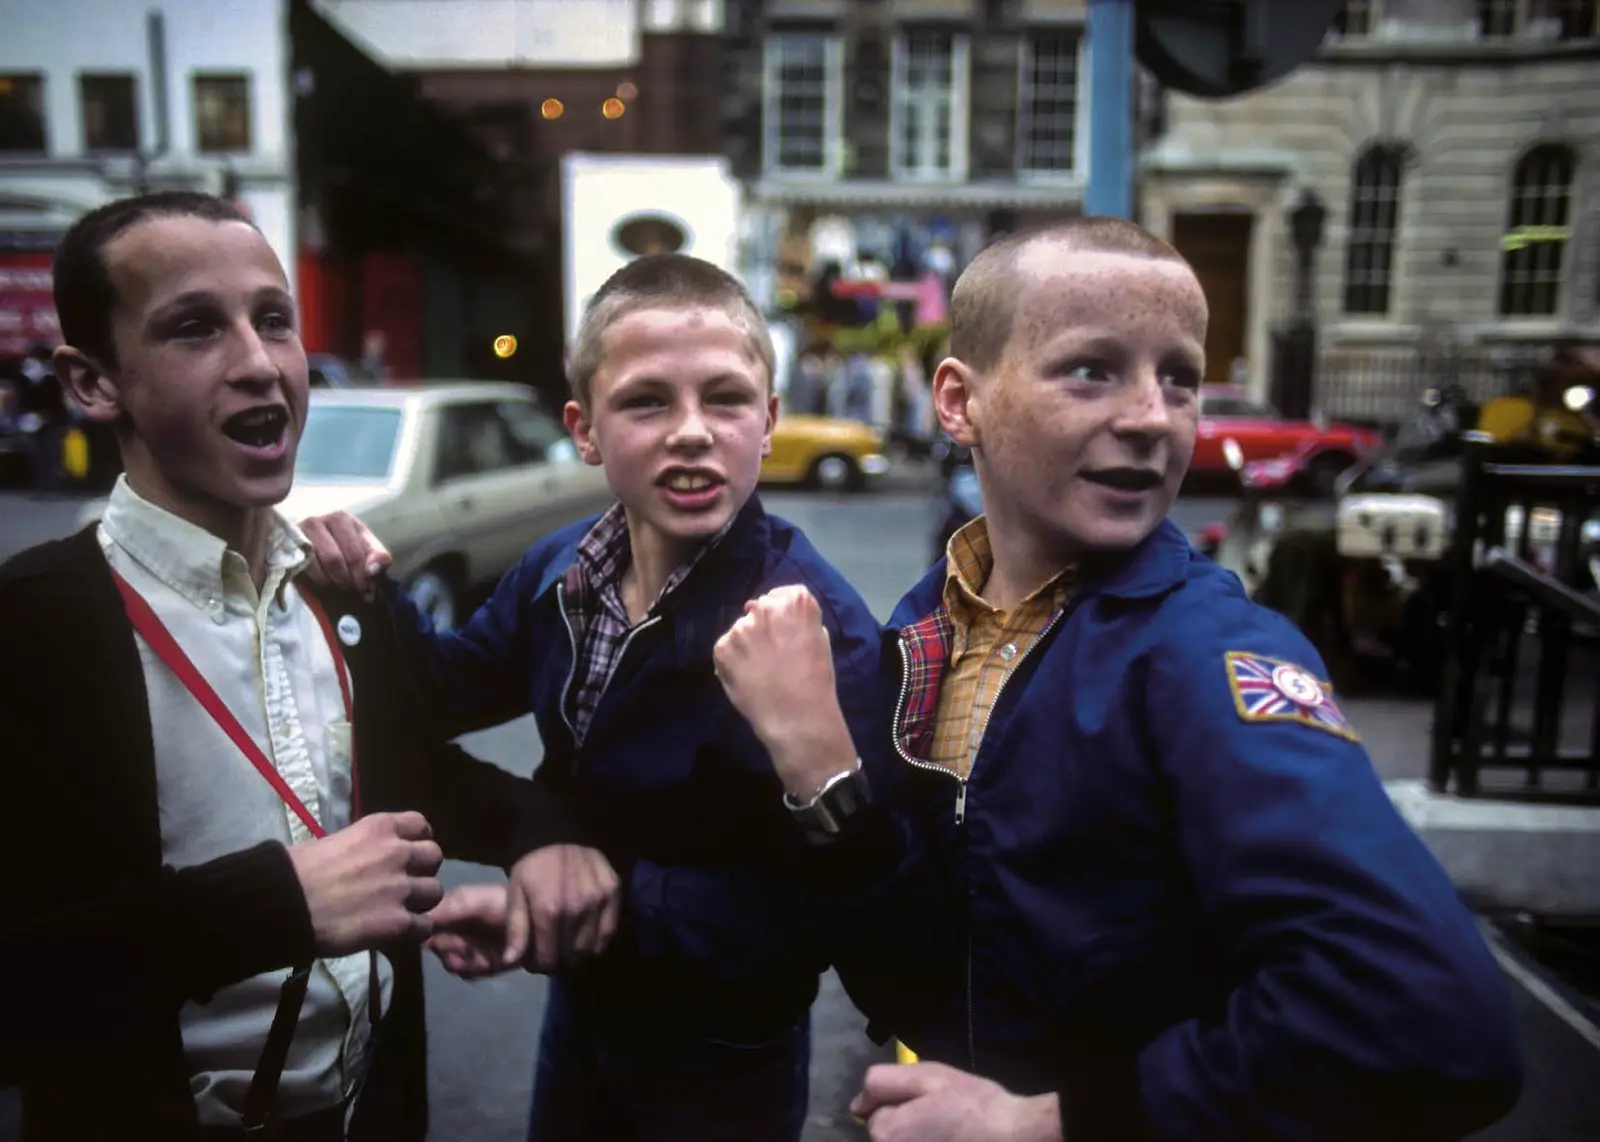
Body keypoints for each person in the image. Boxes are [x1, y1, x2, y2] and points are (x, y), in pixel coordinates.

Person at [711, 217, 1525, 1141]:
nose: (1151, 417)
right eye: (1092, 369)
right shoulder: (930, 631)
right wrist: (820, 769)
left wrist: (1060, 1119)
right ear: (957, 401)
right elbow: (921, 964)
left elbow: (1434, 1022)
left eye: (1179, 377)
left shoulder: (1207, 656)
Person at [0, 191, 583, 1140]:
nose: (261, 363)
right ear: (93, 381)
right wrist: (276, 905)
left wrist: (545, 831)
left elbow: (411, 773)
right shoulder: (32, 628)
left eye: (274, 319)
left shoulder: (339, 589)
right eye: (194, 329)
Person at [299, 252, 884, 1142]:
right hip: (587, 1011)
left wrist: (560, 911)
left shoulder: (814, 626)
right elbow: (443, 689)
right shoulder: (562, 570)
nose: (691, 431)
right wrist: (368, 595)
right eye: (647, 402)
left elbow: (810, 918)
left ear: (767, 423)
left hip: (724, 1049)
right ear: (584, 429)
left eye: (725, 400)